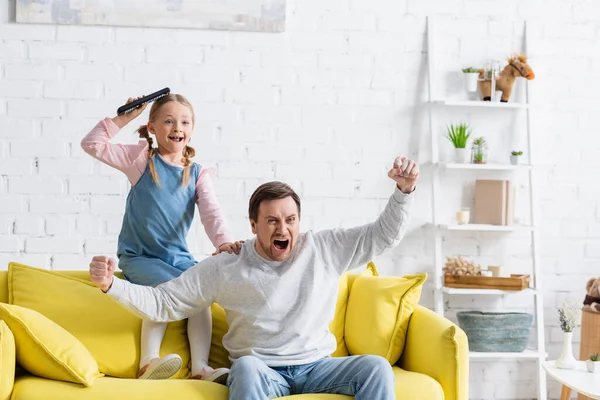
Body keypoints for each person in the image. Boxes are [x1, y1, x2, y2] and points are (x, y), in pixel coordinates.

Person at [89, 155, 419, 400]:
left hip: (318, 366)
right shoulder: (228, 265)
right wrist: (111, 285)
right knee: (245, 368)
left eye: (290, 219)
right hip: (262, 372)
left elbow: (382, 236)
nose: (283, 228)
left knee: (376, 368)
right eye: (272, 221)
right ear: (253, 225)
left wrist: (403, 192)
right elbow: (164, 302)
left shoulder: (323, 248)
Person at [81, 93, 242, 383]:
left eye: (184, 121)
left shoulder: (197, 173)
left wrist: (222, 242)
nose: (177, 127)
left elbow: (211, 212)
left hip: (178, 259)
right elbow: (92, 144)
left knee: (201, 296)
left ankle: (200, 369)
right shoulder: (141, 160)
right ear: (152, 128)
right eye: (168, 121)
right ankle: (147, 363)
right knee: (162, 291)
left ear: (192, 128)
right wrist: (125, 118)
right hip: (140, 257)